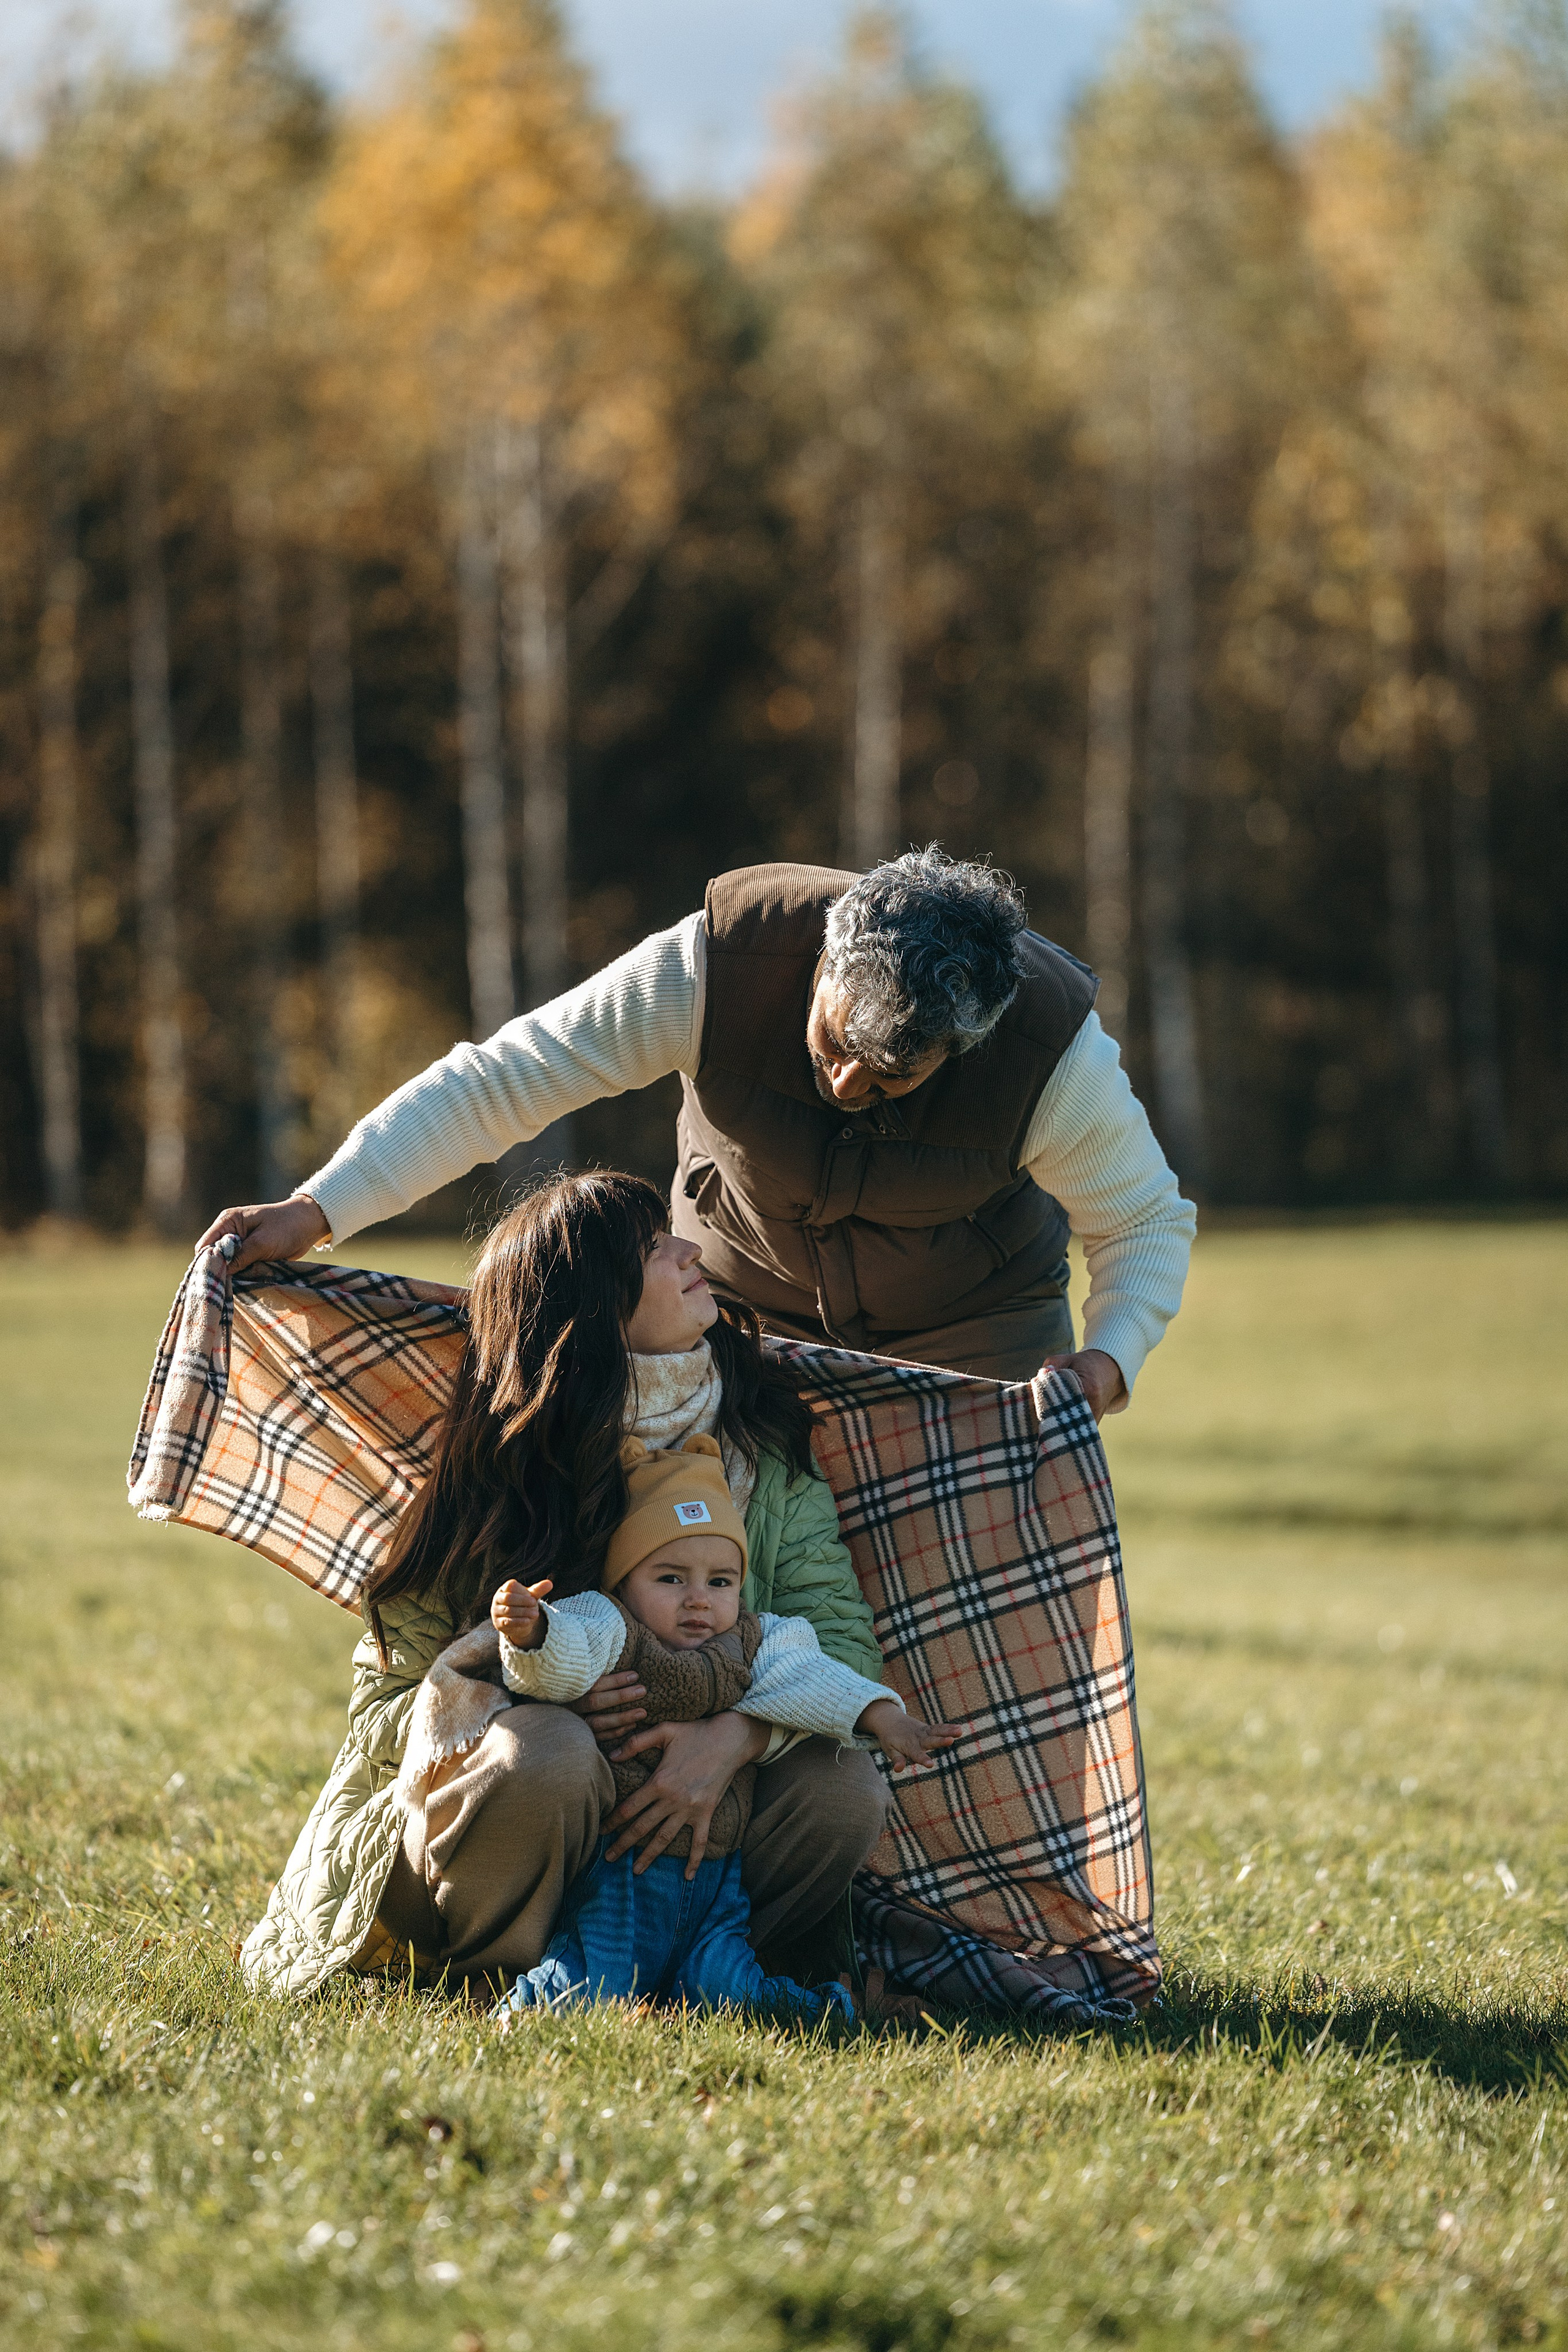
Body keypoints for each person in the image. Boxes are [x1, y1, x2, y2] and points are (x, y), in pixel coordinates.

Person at [201, 847, 1196, 1413]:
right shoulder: (713, 968)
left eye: (893, 1072)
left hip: (972, 1347)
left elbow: (1144, 1224)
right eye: (833, 1040)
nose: (846, 1079)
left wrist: (1107, 1361)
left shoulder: (1050, 1058)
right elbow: (504, 1081)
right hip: (731, 1321)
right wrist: (319, 1207)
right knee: (706, 1606)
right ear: (823, 963)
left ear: (963, 1047)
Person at [239, 1172, 891, 1999]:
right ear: (590, 1305)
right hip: (513, 1836)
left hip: (699, 1844)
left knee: (843, 1784)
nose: (690, 1249)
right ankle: (497, 1972)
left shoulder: (761, 1447)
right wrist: (545, 1697)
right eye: (655, 1247)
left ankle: (703, 1969)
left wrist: (735, 1739)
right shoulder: (496, 1468)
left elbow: (844, 1649)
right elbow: (383, 1714)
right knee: (549, 1754)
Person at [487, 1433, 957, 2022]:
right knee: (591, 1979)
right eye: (670, 1578)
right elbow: (569, 1654)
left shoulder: (762, 1640)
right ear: (624, 1581)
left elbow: (815, 1680)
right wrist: (534, 1634)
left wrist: (885, 1718)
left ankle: (830, 2010)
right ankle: (521, 2012)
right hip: (621, 1881)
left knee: (728, 1989)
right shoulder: (611, 1622)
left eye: (719, 1581)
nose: (698, 1601)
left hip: (716, 1887)